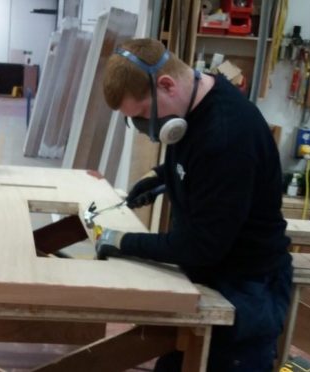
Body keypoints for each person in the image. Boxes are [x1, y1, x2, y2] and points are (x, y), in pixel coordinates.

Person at [96, 38, 293, 371]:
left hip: (245, 293)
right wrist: (161, 178)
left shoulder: (227, 137)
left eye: (144, 114)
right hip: (210, 277)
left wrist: (122, 241)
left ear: (167, 84)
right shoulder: (192, 107)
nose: (147, 129)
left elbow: (199, 246)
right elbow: (195, 162)